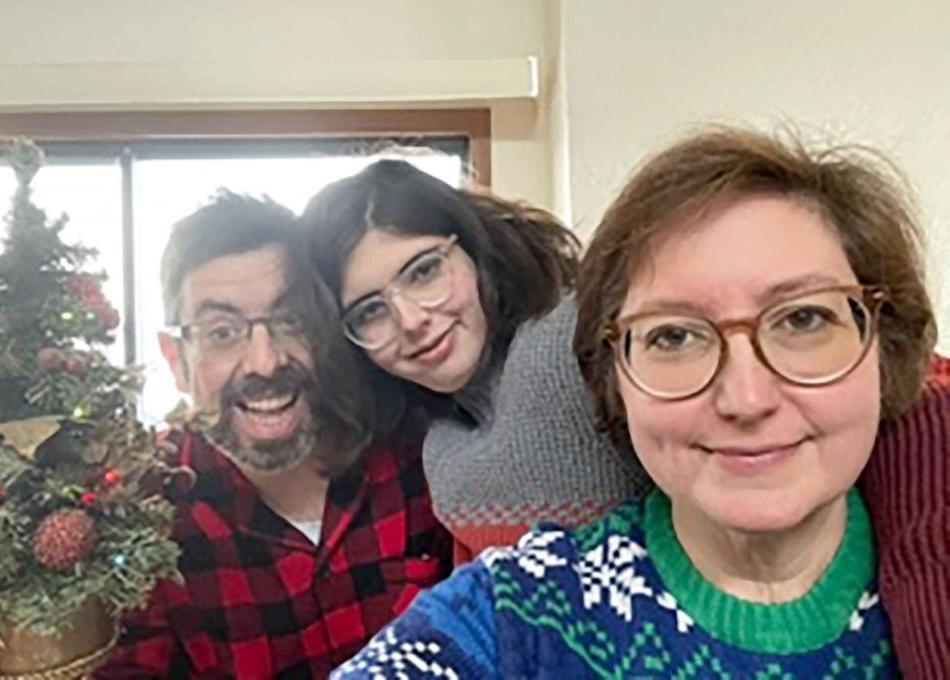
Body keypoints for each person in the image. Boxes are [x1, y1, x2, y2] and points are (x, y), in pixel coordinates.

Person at [332, 128, 939, 677]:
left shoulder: (922, 533)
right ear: (611, 378)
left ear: (887, 345)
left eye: (804, 319)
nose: (746, 398)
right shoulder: (514, 605)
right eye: (673, 336)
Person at [96, 193, 452, 678]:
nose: (265, 362)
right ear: (177, 359)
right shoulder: (141, 524)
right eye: (222, 332)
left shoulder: (418, 451)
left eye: (290, 321)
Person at [303, 160, 649, 563]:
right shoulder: (432, 444)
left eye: (424, 271)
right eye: (369, 312)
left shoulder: (577, 339)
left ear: (472, 248)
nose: (412, 321)